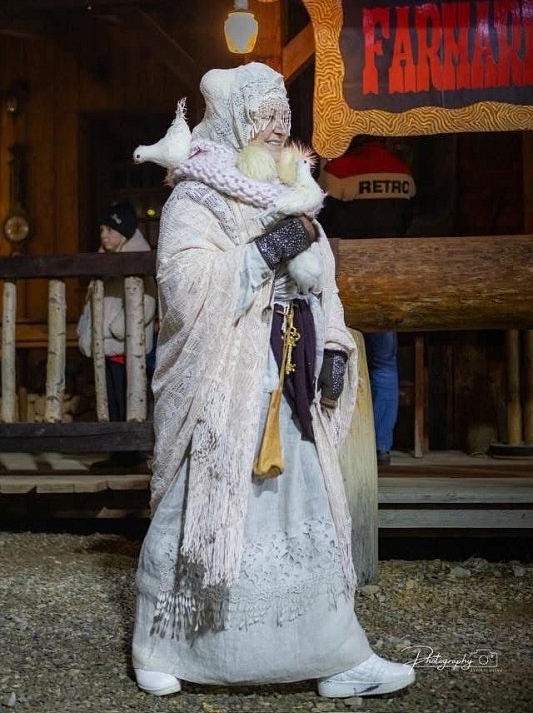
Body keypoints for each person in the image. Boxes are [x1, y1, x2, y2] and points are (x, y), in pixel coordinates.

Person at [131, 64, 415, 699]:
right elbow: (183, 288)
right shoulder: (195, 198)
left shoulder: (295, 192)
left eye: (281, 117)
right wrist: (261, 253)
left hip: (292, 381)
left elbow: (324, 284)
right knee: (199, 509)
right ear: (233, 122)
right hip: (225, 387)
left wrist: (335, 344)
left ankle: (337, 656)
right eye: (261, 117)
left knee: (303, 510)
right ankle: (164, 645)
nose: (275, 129)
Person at [319, 138, 416, 466]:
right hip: (387, 276)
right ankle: (381, 446)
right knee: (384, 363)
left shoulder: (337, 171)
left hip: (342, 278)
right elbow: (408, 221)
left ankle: (340, 443)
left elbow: (322, 222)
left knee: (335, 353)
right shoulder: (402, 171)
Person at [77, 202, 157, 462]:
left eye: (110, 230)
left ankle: (130, 452)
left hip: (126, 346)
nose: (104, 235)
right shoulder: (104, 261)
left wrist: (117, 328)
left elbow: (146, 301)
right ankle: (117, 451)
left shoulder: (138, 259)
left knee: (128, 397)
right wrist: (86, 327)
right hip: (108, 345)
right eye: (101, 229)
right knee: (111, 399)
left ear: (123, 232)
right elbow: (92, 299)